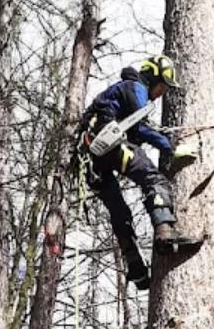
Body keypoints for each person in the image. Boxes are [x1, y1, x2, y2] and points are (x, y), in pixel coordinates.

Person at [77, 55, 201, 291]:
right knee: (153, 179)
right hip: (112, 143)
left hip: (93, 162)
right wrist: (170, 148)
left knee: (119, 212)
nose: (161, 92)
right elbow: (139, 127)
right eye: (162, 85)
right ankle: (165, 230)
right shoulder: (136, 87)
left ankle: (136, 267)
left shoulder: (118, 92)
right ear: (153, 76)